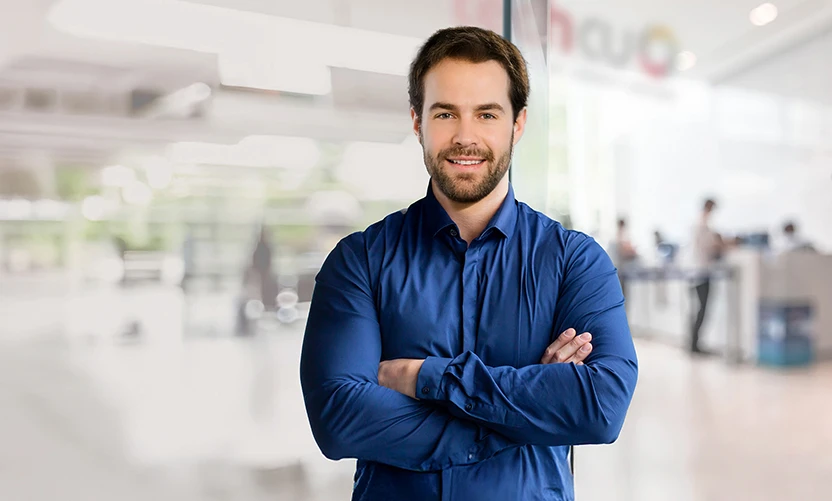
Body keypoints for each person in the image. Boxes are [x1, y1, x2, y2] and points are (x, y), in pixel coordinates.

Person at [300, 27, 638, 501]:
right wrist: (528, 414)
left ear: (517, 124)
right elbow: (339, 417)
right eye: (445, 113)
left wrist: (425, 378)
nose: (465, 137)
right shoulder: (360, 261)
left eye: (486, 114)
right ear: (417, 121)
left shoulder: (573, 262)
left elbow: (601, 408)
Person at [690, 198, 724, 355]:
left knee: (699, 309)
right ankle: (694, 344)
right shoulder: (702, 224)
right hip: (702, 271)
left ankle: (694, 343)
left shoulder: (700, 223)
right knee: (702, 308)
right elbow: (710, 246)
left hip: (698, 271)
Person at [612, 218, 638, 300]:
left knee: (622, 294)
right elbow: (624, 252)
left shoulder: (619, 236)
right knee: (621, 294)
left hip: (621, 270)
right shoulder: (619, 237)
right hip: (620, 270)